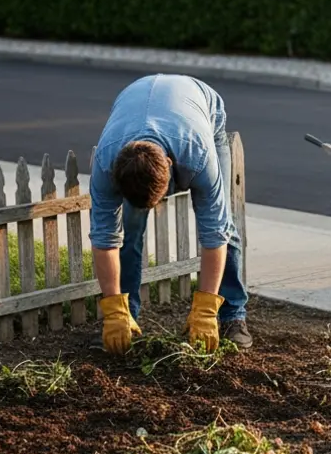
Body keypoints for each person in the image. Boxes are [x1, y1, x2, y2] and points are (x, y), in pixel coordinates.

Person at [88, 74, 251, 353]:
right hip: (135, 99)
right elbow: (105, 239)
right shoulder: (105, 164)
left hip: (201, 107)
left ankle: (231, 315)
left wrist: (205, 309)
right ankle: (127, 318)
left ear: (171, 165)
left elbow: (214, 235)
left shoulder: (198, 157)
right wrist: (113, 309)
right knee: (130, 228)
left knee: (225, 227)